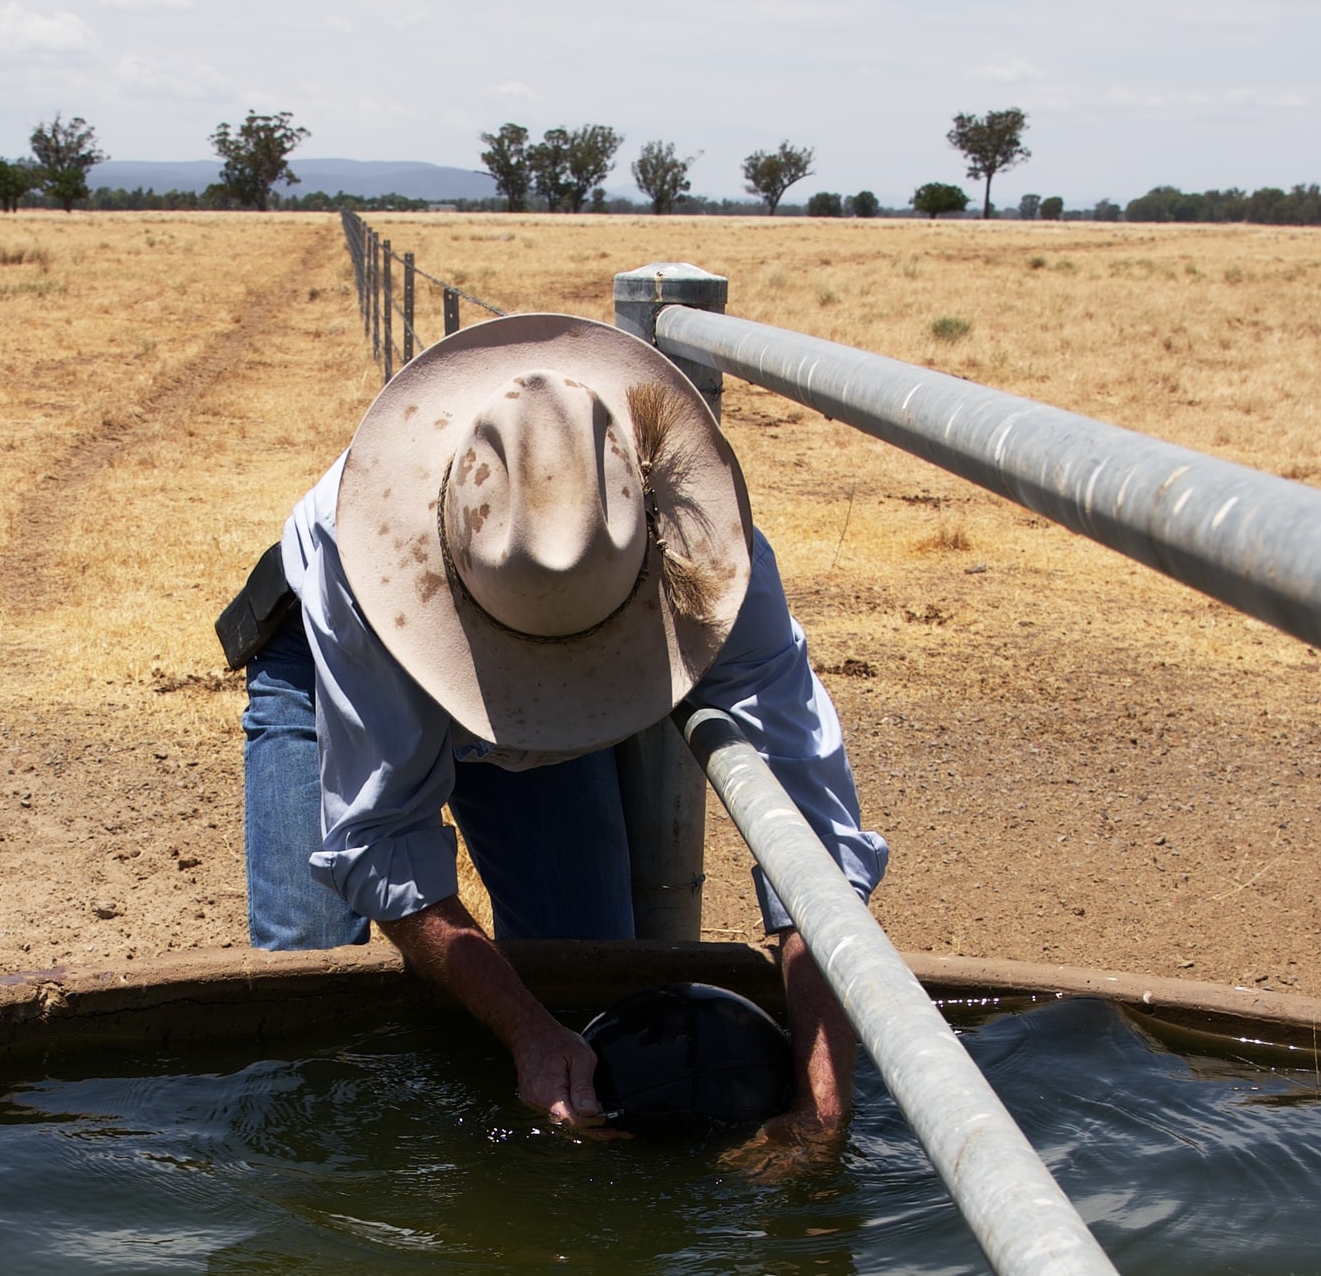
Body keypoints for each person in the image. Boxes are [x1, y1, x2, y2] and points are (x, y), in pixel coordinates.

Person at [222, 313, 885, 1161]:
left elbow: (814, 843)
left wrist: (821, 1104)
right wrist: (528, 1036)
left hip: (561, 714)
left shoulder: (713, 561)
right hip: (334, 669)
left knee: (587, 981)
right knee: (304, 998)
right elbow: (379, 838)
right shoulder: (367, 565)